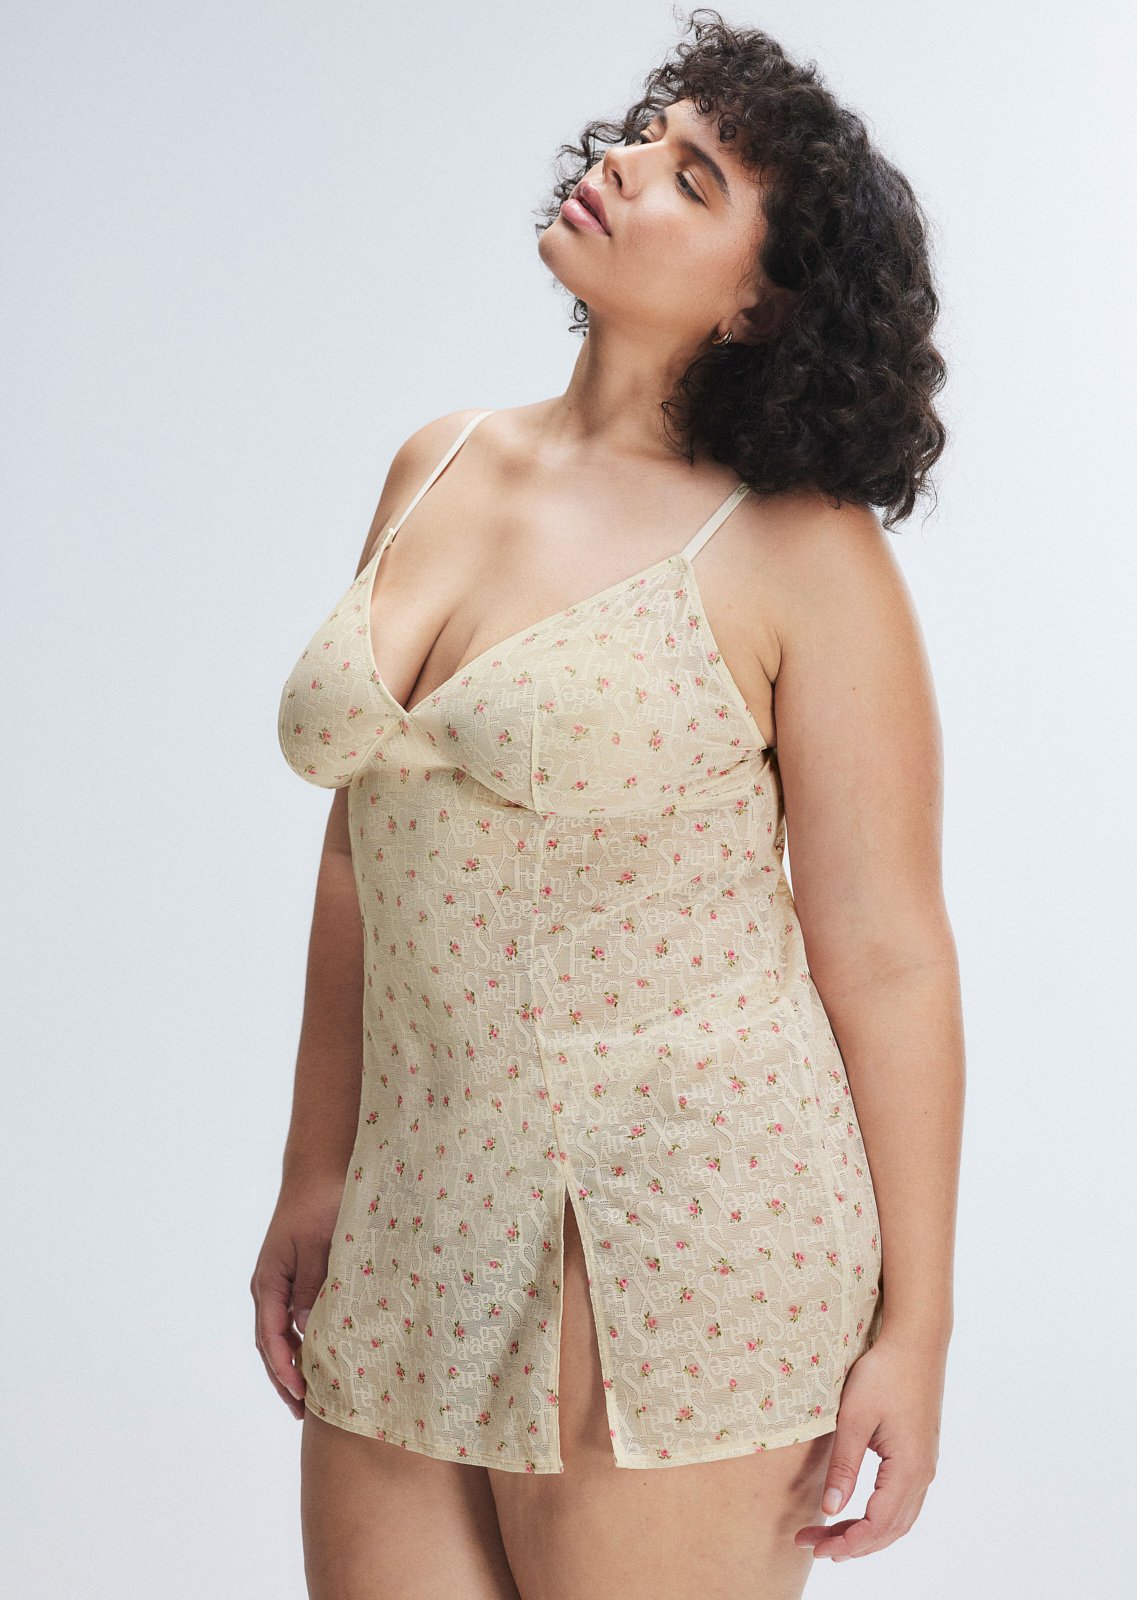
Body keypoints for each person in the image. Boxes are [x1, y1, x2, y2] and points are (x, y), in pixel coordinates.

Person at [256, 10, 964, 1597]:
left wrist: (915, 1332)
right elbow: (360, 855)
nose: (630, 165)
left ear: (759, 304)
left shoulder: (799, 550)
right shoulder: (437, 462)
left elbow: (889, 952)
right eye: (650, 134)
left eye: (694, 177)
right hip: (417, 1214)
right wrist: (314, 1171)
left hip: (686, 1242)